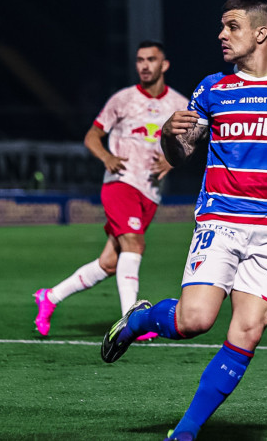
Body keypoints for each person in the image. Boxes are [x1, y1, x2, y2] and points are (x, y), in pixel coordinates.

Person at [100, 0, 267, 440]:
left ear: (260, 33)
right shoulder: (211, 88)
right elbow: (182, 153)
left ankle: (186, 431)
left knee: (248, 330)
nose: (221, 35)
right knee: (194, 321)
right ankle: (140, 320)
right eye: (221, 26)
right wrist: (171, 138)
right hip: (221, 221)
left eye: (231, 26)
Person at [33, 40, 189, 337]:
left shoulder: (179, 104)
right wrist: (106, 157)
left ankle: (49, 297)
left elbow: (189, 146)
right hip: (121, 183)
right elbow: (93, 135)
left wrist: (170, 164)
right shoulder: (123, 99)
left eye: (151, 60)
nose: (144, 65)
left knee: (109, 263)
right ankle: (131, 321)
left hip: (150, 192)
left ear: (164, 65)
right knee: (134, 244)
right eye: (140, 60)